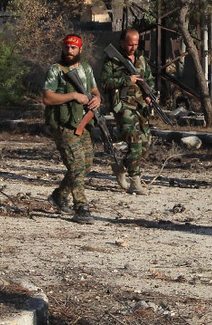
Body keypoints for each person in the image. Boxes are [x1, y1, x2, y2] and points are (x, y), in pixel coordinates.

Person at [42, 34, 101, 224]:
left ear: (80, 50)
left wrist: (97, 99)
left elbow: (94, 90)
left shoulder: (86, 69)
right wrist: (73, 95)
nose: (70, 51)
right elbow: (48, 98)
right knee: (76, 164)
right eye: (67, 47)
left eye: (74, 48)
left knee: (87, 163)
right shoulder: (56, 70)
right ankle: (81, 207)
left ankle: (59, 196)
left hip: (82, 123)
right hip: (63, 125)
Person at [101, 28, 155, 195]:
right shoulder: (112, 61)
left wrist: (149, 95)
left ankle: (122, 167)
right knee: (134, 142)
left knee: (145, 144)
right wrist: (126, 80)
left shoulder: (141, 59)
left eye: (136, 44)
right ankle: (135, 181)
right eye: (130, 44)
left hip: (141, 107)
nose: (133, 47)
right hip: (124, 108)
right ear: (122, 42)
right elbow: (104, 83)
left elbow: (149, 79)